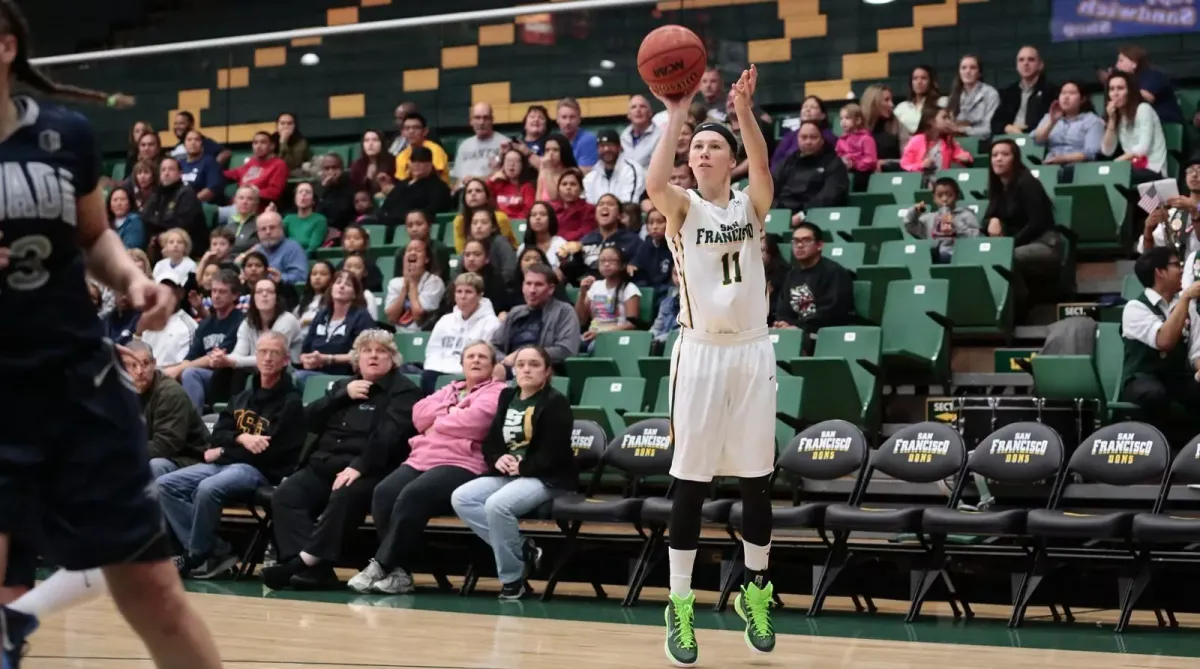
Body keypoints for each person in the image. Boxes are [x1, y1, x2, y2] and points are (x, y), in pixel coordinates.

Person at [0, 1, 223, 665]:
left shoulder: (65, 133)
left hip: (76, 387)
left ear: (8, 46)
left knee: (151, 586)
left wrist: (132, 281)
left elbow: (94, 236)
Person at [646, 66, 777, 665]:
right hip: (700, 353)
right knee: (690, 483)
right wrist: (676, 113)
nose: (701, 152)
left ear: (730, 161)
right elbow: (653, 183)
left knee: (756, 479)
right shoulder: (681, 206)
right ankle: (681, 608)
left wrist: (742, 111)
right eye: (695, 147)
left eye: (711, 146)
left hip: (752, 349)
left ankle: (756, 593)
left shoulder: (751, 207)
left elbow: (764, 165)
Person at [263, 330, 423, 590]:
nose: (373, 355)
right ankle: (315, 570)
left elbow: (388, 437)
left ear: (393, 360)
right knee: (285, 495)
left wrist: (358, 466)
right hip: (322, 465)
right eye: (366, 351)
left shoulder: (405, 391)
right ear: (356, 360)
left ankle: (301, 565)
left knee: (344, 493)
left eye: (381, 351)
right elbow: (306, 419)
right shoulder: (343, 386)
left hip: (371, 469)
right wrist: (340, 395)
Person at [346, 341, 505, 595]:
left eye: (482, 357)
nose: (476, 360)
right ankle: (401, 573)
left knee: (414, 494)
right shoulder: (450, 389)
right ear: (462, 364)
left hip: (463, 462)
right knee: (384, 493)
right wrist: (451, 412)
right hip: (422, 458)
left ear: (493, 365)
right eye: (470, 356)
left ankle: (381, 564)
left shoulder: (496, 392)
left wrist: (438, 420)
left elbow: (476, 422)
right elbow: (418, 414)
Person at [158, 331, 305, 580]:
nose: (267, 358)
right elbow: (218, 434)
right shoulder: (242, 396)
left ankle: (195, 555)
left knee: (207, 488)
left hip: (259, 472)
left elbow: (268, 453)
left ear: (285, 360)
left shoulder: (291, 403)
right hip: (227, 464)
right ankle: (215, 551)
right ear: (256, 356)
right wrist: (240, 439)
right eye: (263, 352)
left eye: (275, 353)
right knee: (164, 485)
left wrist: (225, 450)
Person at [450, 345, 578, 600]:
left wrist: (524, 466)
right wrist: (498, 459)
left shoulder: (556, 402)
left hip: (545, 477)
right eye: (521, 365)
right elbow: (492, 441)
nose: (526, 369)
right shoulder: (507, 396)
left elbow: (555, 452)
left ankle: (512, 579)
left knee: (497, 505)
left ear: (547, 371)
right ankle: (523, 548)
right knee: (462, 497)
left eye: (534, 364)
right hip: (508, 473)